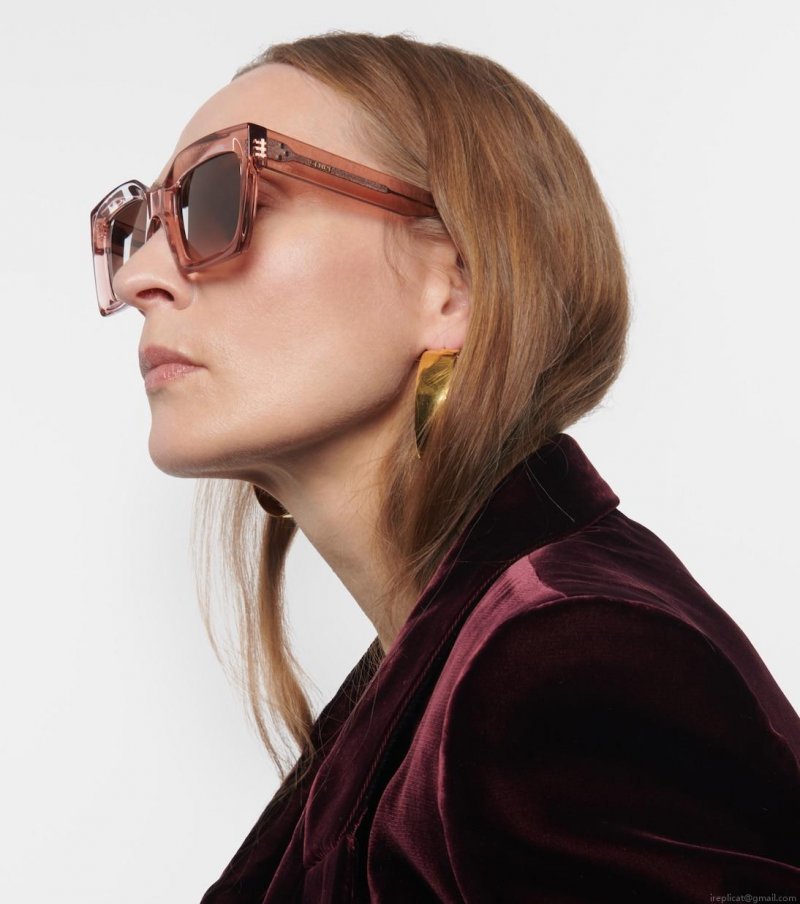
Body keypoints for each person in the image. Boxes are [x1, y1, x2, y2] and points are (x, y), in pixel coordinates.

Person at [89, 31, 800, 903]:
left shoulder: (565, 665)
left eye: (220, 196)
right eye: (142, 228)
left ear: (454, 284)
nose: (141, 277)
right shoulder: (443, 669)